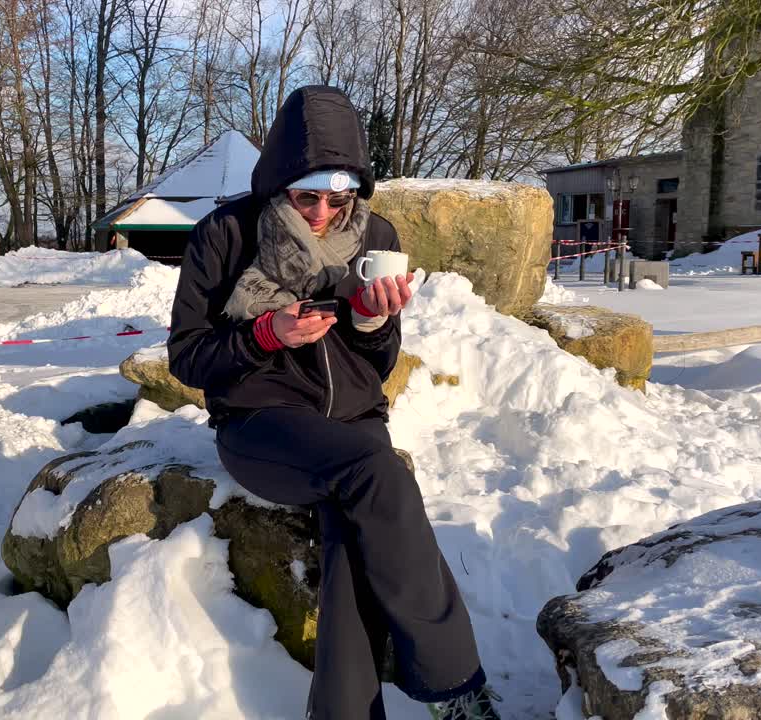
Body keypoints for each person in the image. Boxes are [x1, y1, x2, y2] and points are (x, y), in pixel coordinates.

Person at [168, 85, 500, 720]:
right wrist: (266, 335)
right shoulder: (228, 234)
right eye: (307, 196)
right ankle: (455, 683)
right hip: (263, 425)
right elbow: (188, 356)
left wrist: (376, 324)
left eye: (338, 197)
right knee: (380, 473)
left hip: (354, 421)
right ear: (280, 182)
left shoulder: (376, 236)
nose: (322, 212)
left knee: (354, 527)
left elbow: (376, 364)